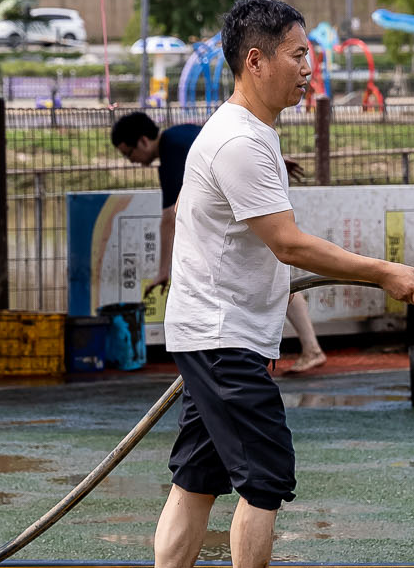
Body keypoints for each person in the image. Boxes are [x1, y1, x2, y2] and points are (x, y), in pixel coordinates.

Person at [137, 0, 414, 568]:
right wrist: (382, 270)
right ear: (256, 59)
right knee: (265, 472)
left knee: (197, 475)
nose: (308, 68)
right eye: (298, 54)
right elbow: (289, 244)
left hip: (217, 329)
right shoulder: (239, 139)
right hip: (222, 334)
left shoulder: (249, 134)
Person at [114, 108, 325, 373]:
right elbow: (231, 145)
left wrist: (162, 271)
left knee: (274, 278)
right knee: (275, 276)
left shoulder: (171, 151)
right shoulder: (184, 132)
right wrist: (277, 160)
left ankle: (309, 348)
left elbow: (169, 217)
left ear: (143, 141)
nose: (132, 160)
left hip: (242, 214)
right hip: (245, 208)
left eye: (129, 153)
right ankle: (310, 347)